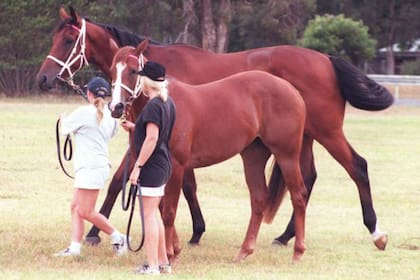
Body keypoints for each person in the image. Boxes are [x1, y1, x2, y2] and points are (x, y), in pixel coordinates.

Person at [54, 76, 127, 257]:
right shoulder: (110, 116)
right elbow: (111, 133)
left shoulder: (83, 112)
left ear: (88, 93)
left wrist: (62, 118)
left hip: (90, 167)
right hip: (95, 166)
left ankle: (118, 237)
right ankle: (75, 248)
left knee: (86, 210)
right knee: (75, 207)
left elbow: (64, 128)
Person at [121, 61, 176, 275]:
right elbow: (155, 132)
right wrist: (136, 127)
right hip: (162, 164)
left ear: (147, 82)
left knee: (149, 215)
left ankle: (153, 266)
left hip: (152, 167)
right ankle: (162, 263)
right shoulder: (167, 102)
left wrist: (137, 167)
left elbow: (152, 138)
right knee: (154, 215)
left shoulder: (153, 105)